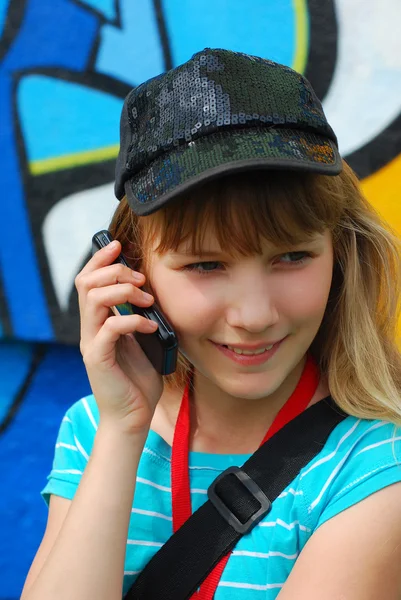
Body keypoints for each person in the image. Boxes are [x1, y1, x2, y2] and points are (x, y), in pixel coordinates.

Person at [21, 48, 401, 600]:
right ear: (130, 272)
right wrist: (123, 430)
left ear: (340, 254)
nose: (254, 316)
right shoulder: (93, 432)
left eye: (292, 257)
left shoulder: (373, 461)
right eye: (205, 265)